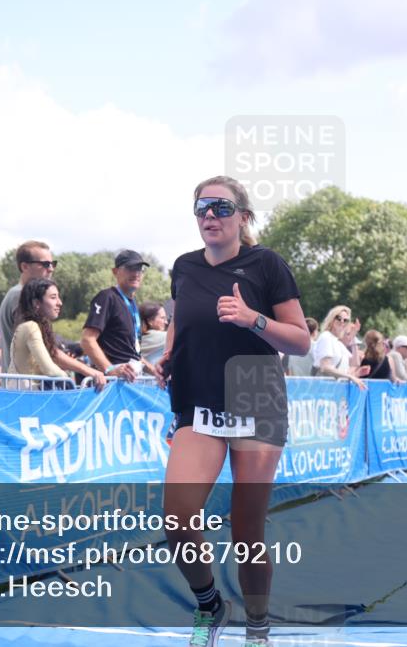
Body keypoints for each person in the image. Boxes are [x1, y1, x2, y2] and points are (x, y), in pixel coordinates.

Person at [155, 175, 310, 647]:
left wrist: (253, 319)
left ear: (243, 217)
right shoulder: (183, 267)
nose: (209, 216)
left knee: (246, 528)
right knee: (178, 517)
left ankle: (258, 624)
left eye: (221, 208)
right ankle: (211, 606)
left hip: (254, 393)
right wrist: (170, 356)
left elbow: (300, 339)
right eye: (201, 207)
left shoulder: (267, 264)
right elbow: (180, 322)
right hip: (199, 398)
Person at [9, 278, 106, 390]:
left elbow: (51, 360)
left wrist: (87, 372)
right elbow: (49, 369)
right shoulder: (30, 326)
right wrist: (70, 385)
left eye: (58, 297)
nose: (60, 303)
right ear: (36, 303)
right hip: (26, 399)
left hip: (25, 397)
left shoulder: (32, 326)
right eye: (53, 297)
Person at [81, 249, 151, 382]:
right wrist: (109, 370)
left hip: (132, 376)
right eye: (130, 268)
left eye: (139, 268)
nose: (136, 273)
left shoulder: (133, 304)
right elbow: (87, 340)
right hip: (114, 382)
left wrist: (155, 371)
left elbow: (131, 352)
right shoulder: (107, 297)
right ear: (115, 271)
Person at [0, 240, 56, 373]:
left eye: (53, 263)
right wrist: (89, 371)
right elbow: (39, 348)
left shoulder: (20, 294)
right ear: (24, 266)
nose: (51, 269)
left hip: (25, 386)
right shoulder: (19, 295)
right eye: (45, 264)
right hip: (22, 388)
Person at [313, 305, 368, 389]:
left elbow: (355, 363)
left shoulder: (337, 342)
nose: (342, 321)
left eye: (346, 320)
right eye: (339, 318)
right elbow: (325, 367)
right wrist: (350, 377)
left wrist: (353, 338)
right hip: (323, 388)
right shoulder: (326, 337)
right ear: (332, 319)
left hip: (333, 389)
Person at [140, 301, 169, 366]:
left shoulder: (137, 337)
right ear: (150, 321)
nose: (166, 322)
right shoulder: (159, 337)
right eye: (162, 318)